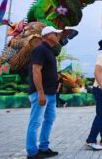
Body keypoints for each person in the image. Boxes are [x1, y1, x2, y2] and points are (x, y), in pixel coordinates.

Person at [26, 26, 62, 159]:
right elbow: (36, 70)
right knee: (35, 122)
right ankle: (32, 152)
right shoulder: (40, 49)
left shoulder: (50, 51)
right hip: (41, 93)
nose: (58, 36)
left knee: (49, 120)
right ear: (47, 35)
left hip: (51, 94)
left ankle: (44, 148)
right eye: (55, 33)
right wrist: (40, 92)